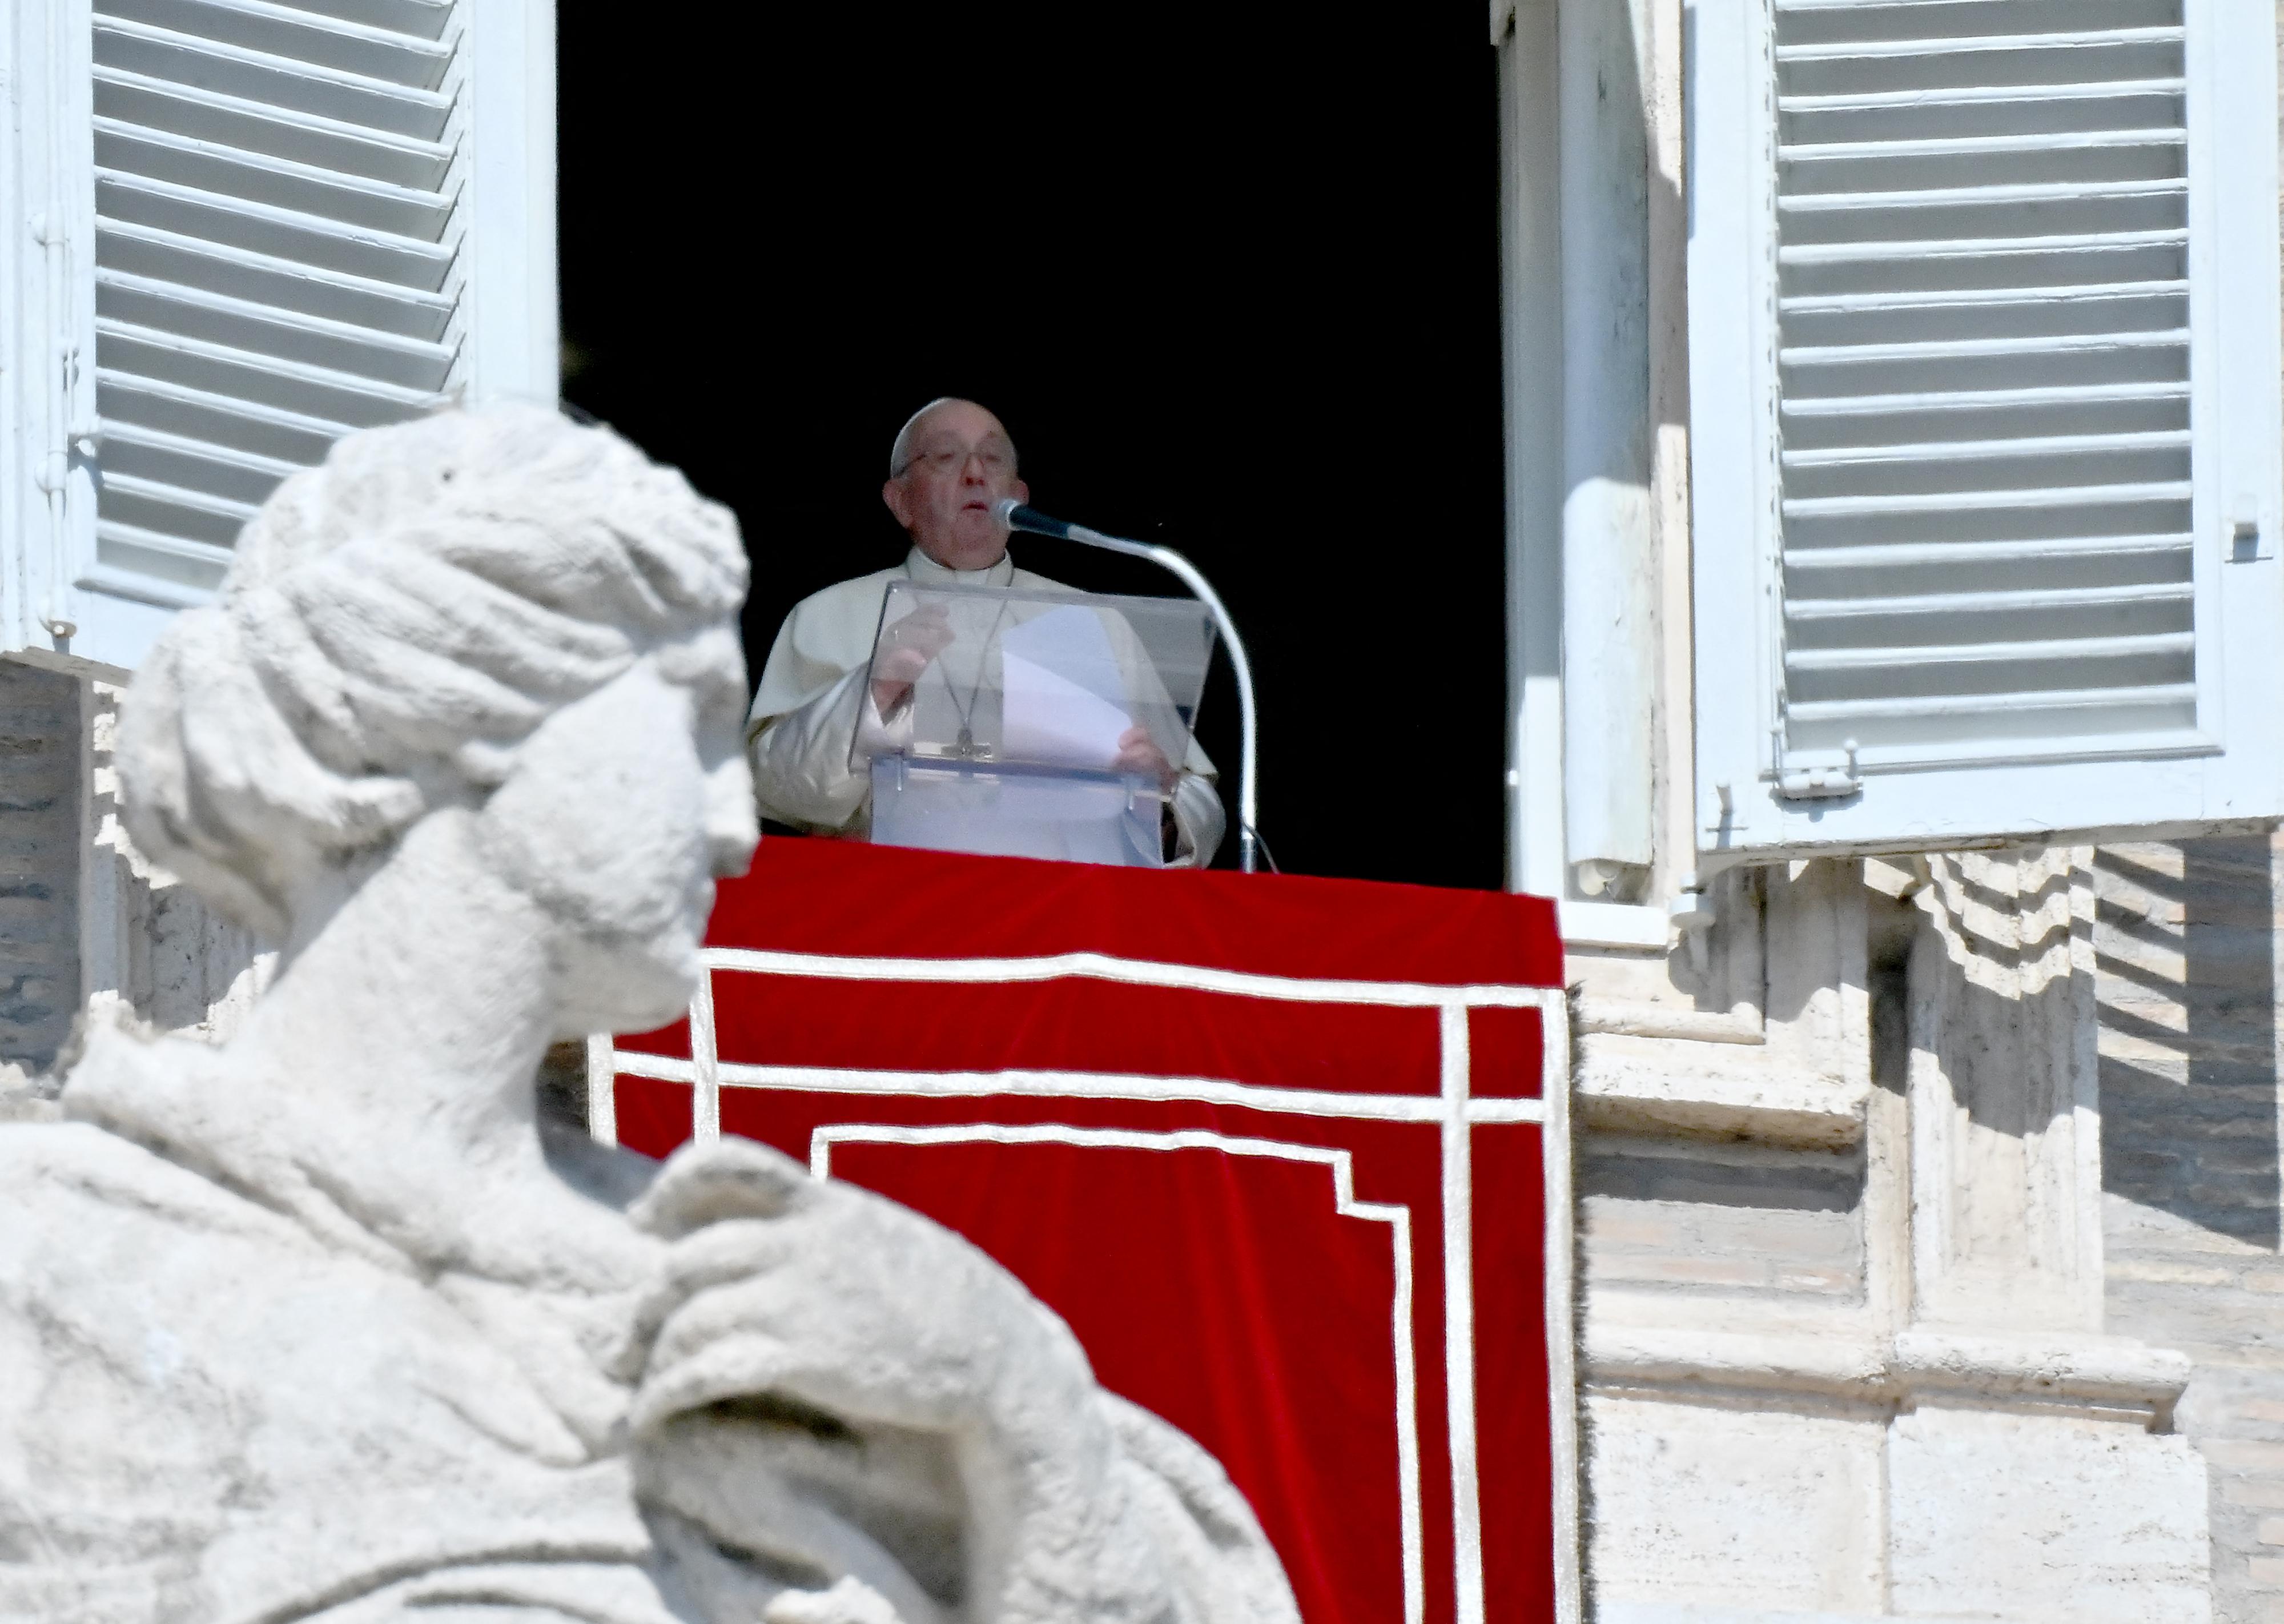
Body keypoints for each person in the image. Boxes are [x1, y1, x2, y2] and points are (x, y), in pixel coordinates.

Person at [0, 407, 1297, 1622]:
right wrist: (874, 702)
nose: (726, 825)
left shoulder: (779, 1287)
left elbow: (1185, 814)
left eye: (993, 457)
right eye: (682, 728)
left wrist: (1016, 1412)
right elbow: (800, 786)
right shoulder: (57, 1267)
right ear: (449, 719)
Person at [747, 398, 1226, 865]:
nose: (975, 474)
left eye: (992, 458)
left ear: (1018, 498)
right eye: (946, 457)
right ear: (900, 502)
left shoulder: (1094, 622)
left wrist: (1158, 800)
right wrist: (870, 692)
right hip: (887, 913)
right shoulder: (827, 614)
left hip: (1058, 918)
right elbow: (770, 788)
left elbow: (1198, 803)